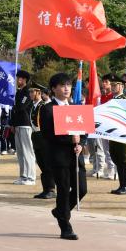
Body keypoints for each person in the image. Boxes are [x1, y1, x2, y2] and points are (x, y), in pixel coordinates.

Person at [40, 73, 88, 240]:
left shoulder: (75, 107)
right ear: (54, 89)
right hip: (59, 157)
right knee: (63, 190)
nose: (66, 88)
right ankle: (65, 226)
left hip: (76, 156)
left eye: (68, 85)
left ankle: (60, 211)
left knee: (81, 189)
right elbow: (47, 134)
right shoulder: (47, 109)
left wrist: (81, 143)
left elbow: (85, 131)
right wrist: (70, 139)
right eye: (62, 85)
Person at [105, 75, 126, 196]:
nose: (112, 87)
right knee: (116, 157)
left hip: (123, 134)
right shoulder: (111, 99)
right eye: (112, 85)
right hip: (113, 133)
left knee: (124, 159)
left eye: (115, 85)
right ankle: (122, 185)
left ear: (121, 86)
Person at [28, 84, 56, 199]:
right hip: (35, 136)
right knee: (41, 164)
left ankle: (51, 189)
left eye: (32, 92)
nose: (30, 94)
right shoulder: (33, 106)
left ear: (38, 92)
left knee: (47, 163)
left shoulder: (43, 106)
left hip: (43, 136)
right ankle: (45, 189)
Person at [11, 70, 36, 186]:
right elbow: (15, 109)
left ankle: (31, 177)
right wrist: (13, 124)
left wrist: (14, 106)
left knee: (27, 151)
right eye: (17, 78)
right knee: (20, 152)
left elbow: (21, 106)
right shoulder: (19, 92)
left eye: (20, 79)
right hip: (18, 124)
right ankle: (23, 175)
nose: (18, 81)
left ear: (25, 80)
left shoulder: (28, 92)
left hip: (26, 124)